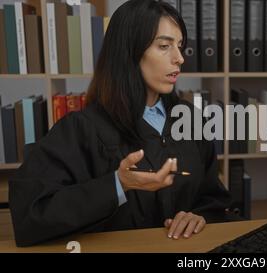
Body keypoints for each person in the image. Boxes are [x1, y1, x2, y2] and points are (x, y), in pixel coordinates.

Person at [9, 0, 232, 247]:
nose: (179, 58)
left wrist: (200, 216)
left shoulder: (190, 119)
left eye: (179, 46)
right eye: (164, 46)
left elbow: (214, 199)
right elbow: (31, 216)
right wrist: (118, 184)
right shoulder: (82, 129)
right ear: (129, 52)